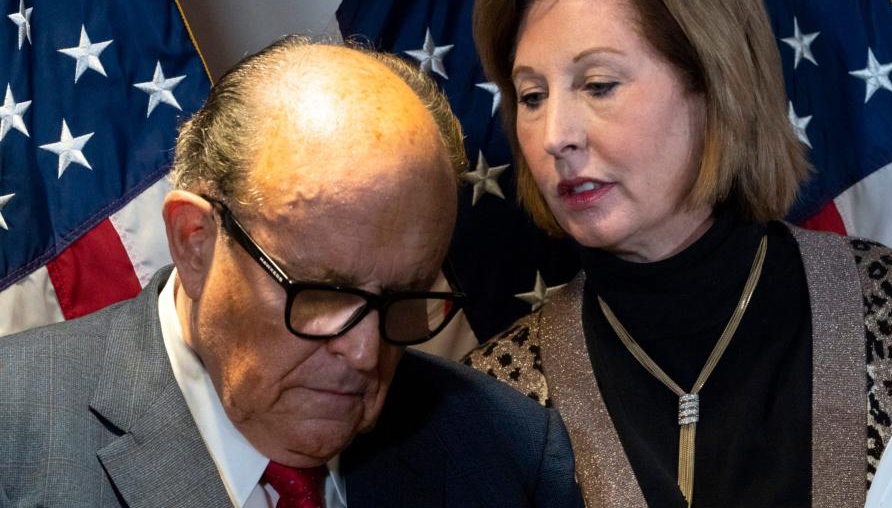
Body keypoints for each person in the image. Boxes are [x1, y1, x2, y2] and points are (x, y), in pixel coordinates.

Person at [463, 0, 892, 507]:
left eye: (598, 85)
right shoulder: (497, 398)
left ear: (715, 86)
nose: (553, 136)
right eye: (532, 96)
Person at [0, 37, 583, 508]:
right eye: (324, 293)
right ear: (194, 242)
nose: (363, 353)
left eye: (404, 298)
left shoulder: (508, 450)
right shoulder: (14, 431)